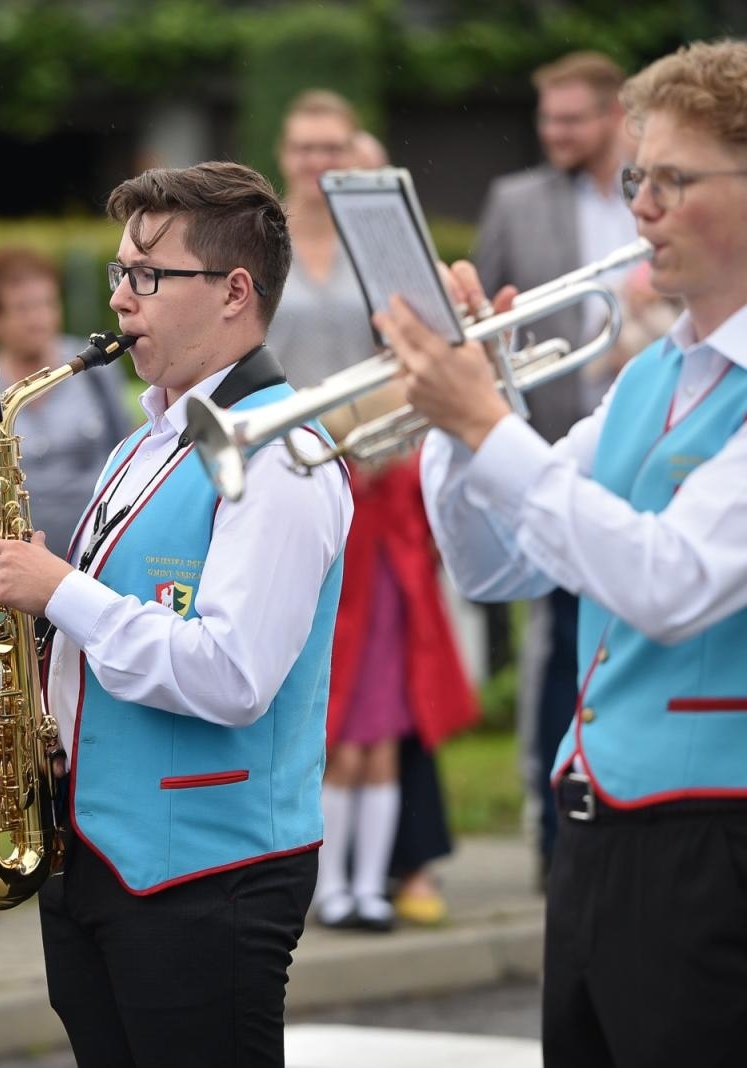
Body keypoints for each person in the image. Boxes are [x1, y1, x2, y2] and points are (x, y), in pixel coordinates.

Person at [386, 40, 747, 1065]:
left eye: (672, 179)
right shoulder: (648, 376)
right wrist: (461, 416)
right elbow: (499, 570)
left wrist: (489, 424)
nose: (641, 207)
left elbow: (671, 582)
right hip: (597, 840)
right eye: (636, 178)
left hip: (727, 853)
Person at [0, 161, 352, 1066]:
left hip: (207, 873)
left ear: (233, 292)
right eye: (116, 274)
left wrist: (60, 591)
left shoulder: (280, 450)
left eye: (147, 276)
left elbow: (232, 675)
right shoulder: (146, 438)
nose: (121, 300)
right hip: (97, 856)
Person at [268, 91, 477, 933]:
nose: (318, 161)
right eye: (304, 146)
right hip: (278, 459)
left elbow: (414, 345)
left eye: (330, 146)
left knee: (369, 684)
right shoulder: (261, 236)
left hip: (374, 470)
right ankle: (303, 863)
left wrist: (367, 431)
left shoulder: (373, 237)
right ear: (283, 152)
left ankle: (365, 876)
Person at [473, 51, 636, 885]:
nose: (555, 134)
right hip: (557, 448)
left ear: (614, 115)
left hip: (649, 447)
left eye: (571, 119)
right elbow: (490, 321)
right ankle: (554, 835)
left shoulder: (656, 193)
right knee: (561, 648)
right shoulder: (516, 198)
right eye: (547, 119)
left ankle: (628, 815)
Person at [0, 246, 133, 554]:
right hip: (12, 555)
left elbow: (126, 454)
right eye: (23, 308)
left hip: (93, 549)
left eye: (47, 304)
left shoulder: (93, 366)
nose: (39, 319)